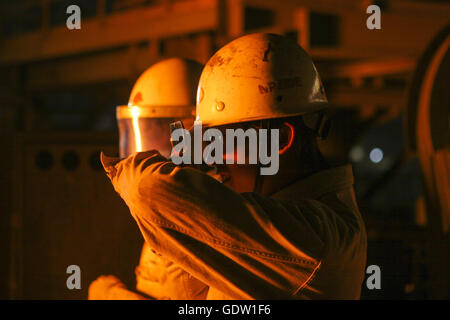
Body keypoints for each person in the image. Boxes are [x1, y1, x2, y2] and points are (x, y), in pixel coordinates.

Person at [101, 33, 367, 299]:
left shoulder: (318, 239)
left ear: (280, 140)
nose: (214, 162)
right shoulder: (285, 210)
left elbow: (148, 188)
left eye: (221, 144)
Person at [88, 58, 208, 300]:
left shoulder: (201, 213)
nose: (148, 152)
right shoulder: (165, 205)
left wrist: (109, 295)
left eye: (164, 132)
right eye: (147, 131)